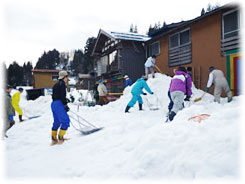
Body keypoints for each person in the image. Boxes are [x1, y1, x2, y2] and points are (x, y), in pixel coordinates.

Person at [51, 71, 70, 145]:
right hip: (59, 104)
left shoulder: (55, 85)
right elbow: (62, 95)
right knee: (65, 121)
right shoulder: (62, 84)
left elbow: (56, 95)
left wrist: (65, 100)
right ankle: (60, 138)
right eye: (67, 77)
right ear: (64, 77)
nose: (67, 79)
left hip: (53, 104)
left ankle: (54, 138)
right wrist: (65, 105)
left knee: (57, 121)